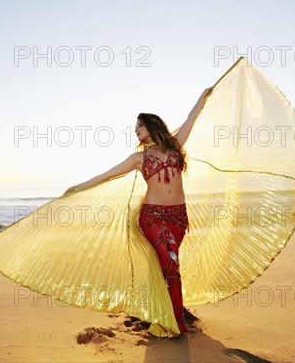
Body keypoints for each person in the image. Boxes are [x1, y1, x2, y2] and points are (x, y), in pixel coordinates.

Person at [64, 86, 214, 335]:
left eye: (139, 126)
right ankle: (174, 322)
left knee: (167, 266)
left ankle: (164, 308)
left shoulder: (176, 145)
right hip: (153, 217)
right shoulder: (138, 158)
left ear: (152, 127)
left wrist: (203, 96)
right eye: (136, 127)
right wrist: (78, 187)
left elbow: (192, 118)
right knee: (171, 266)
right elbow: (107, 174)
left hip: (178, 217)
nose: (136, 131)